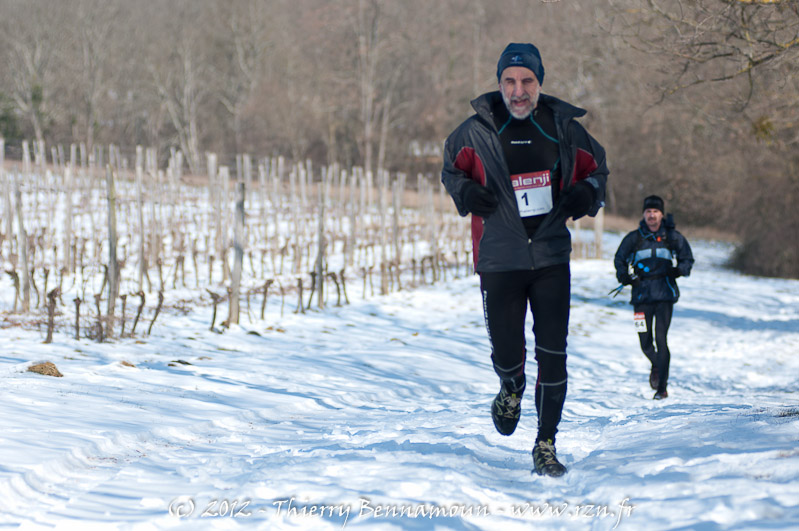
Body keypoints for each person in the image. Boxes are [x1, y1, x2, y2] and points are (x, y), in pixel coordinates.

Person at [441, 43, 609, 477]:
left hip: (550, 256)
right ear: (499, 83)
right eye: (510, 81)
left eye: (527, 81)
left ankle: (546, 444)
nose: (518, 91)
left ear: (540, 83)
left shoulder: (562, 128)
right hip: (499, 259)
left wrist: (586, 193)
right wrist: (465, 192)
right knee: (507, 355)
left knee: (553, 355)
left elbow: (598, 170)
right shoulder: (476, 131)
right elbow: (451, 169)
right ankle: (510, 387)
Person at [613, 195, 694, 400]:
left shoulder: (672, 237)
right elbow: (619, 259)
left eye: (655, 211)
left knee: (661, 339)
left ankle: (662, 389)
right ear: (643, 214)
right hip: (640, 296)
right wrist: (624, 276)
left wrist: (679, 270)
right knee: (644, 342)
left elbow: (687, 258)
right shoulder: (634, 238)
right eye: (648, 211)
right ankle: (658, 365)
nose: (652, 215)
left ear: (661, 214)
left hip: (665, 295)